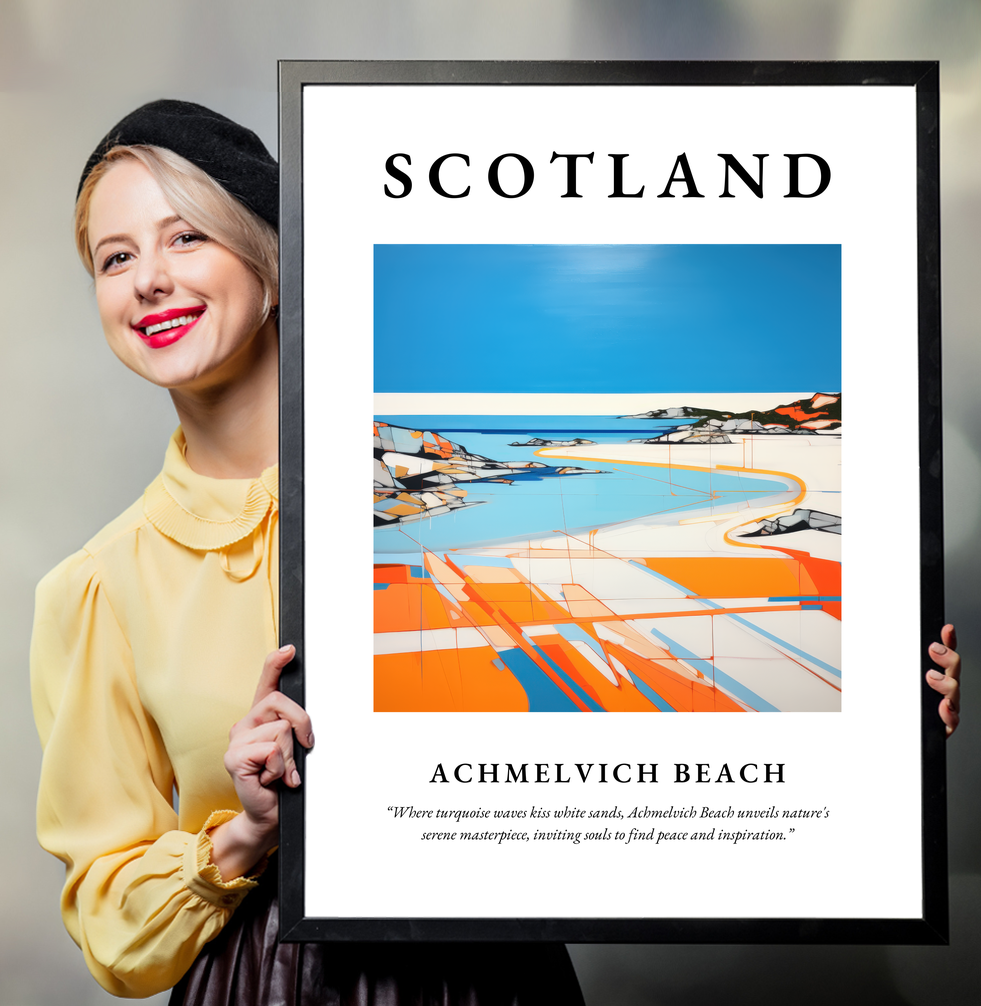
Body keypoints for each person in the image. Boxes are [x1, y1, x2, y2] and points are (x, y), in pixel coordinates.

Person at [30, 100, 585, 1004]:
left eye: (186, 237)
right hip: (264, 981)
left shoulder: (450, 491)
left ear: (273, 263)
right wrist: (246, 833)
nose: (149, 281)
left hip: (492, 971)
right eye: (115, 258)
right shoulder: (97, 587)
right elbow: (110, 924)